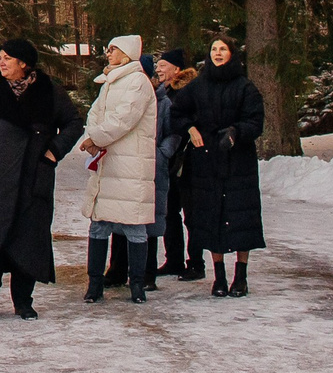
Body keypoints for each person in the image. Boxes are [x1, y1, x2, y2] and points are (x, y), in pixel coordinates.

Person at [0, 38, 81, 319]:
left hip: (32, 178)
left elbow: (74, 123)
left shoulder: (49, 91)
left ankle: (23, 301)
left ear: (24, 63)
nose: (1, 62)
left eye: (8, 58)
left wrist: (54, 151)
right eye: (0, 57)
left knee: (28, 240)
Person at [175, 36, 264, 296]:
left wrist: (236, 132)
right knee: (212, 216)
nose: (217, 53)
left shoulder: (245, 87)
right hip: (207, 161)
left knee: (240, 217)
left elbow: (255, 121)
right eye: (213, 49)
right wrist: (190, 129)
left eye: (222, 49)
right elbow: (177, 112)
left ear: (232, 54)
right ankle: (219, 277)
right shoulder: (198, 85)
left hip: (239, 162)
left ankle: (241, 276)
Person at [78, 37, 159, 305]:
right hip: (108, 161)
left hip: (131, 164)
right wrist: (93, 134)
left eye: (113, 49)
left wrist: (96, 138)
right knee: (99, 224)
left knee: (134, 224)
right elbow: (95, 113)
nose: (108, 53)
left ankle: (137, 284)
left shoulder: (138, 82)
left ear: (127, 54)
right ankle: (95, 283)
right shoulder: (110, 81)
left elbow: (125, 118)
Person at [154, 48, 194, 278]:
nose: (158, 69)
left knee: (189, 212)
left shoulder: (186, 91)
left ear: (177, 69)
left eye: (163, 65)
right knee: (169, 211)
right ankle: (174, 260)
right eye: (158, 65)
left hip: (186, 159)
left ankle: (195, 262)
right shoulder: (163, 91)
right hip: (169, 160)